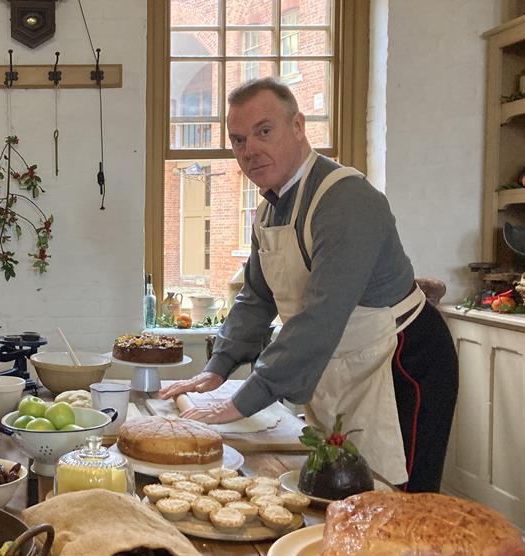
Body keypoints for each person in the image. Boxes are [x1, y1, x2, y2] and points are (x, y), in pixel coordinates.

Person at [160, 78, 458, 493]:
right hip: (344, 365)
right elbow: (257, 296)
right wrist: (216, 369)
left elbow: (320, 317)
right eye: (239, 139)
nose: (250, 150)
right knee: (340, 496)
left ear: (298, 126)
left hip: (403, 362)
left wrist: (241, 402)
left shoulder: (345, 200)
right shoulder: (267, 209)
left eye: (264, 131)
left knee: (400, 503)